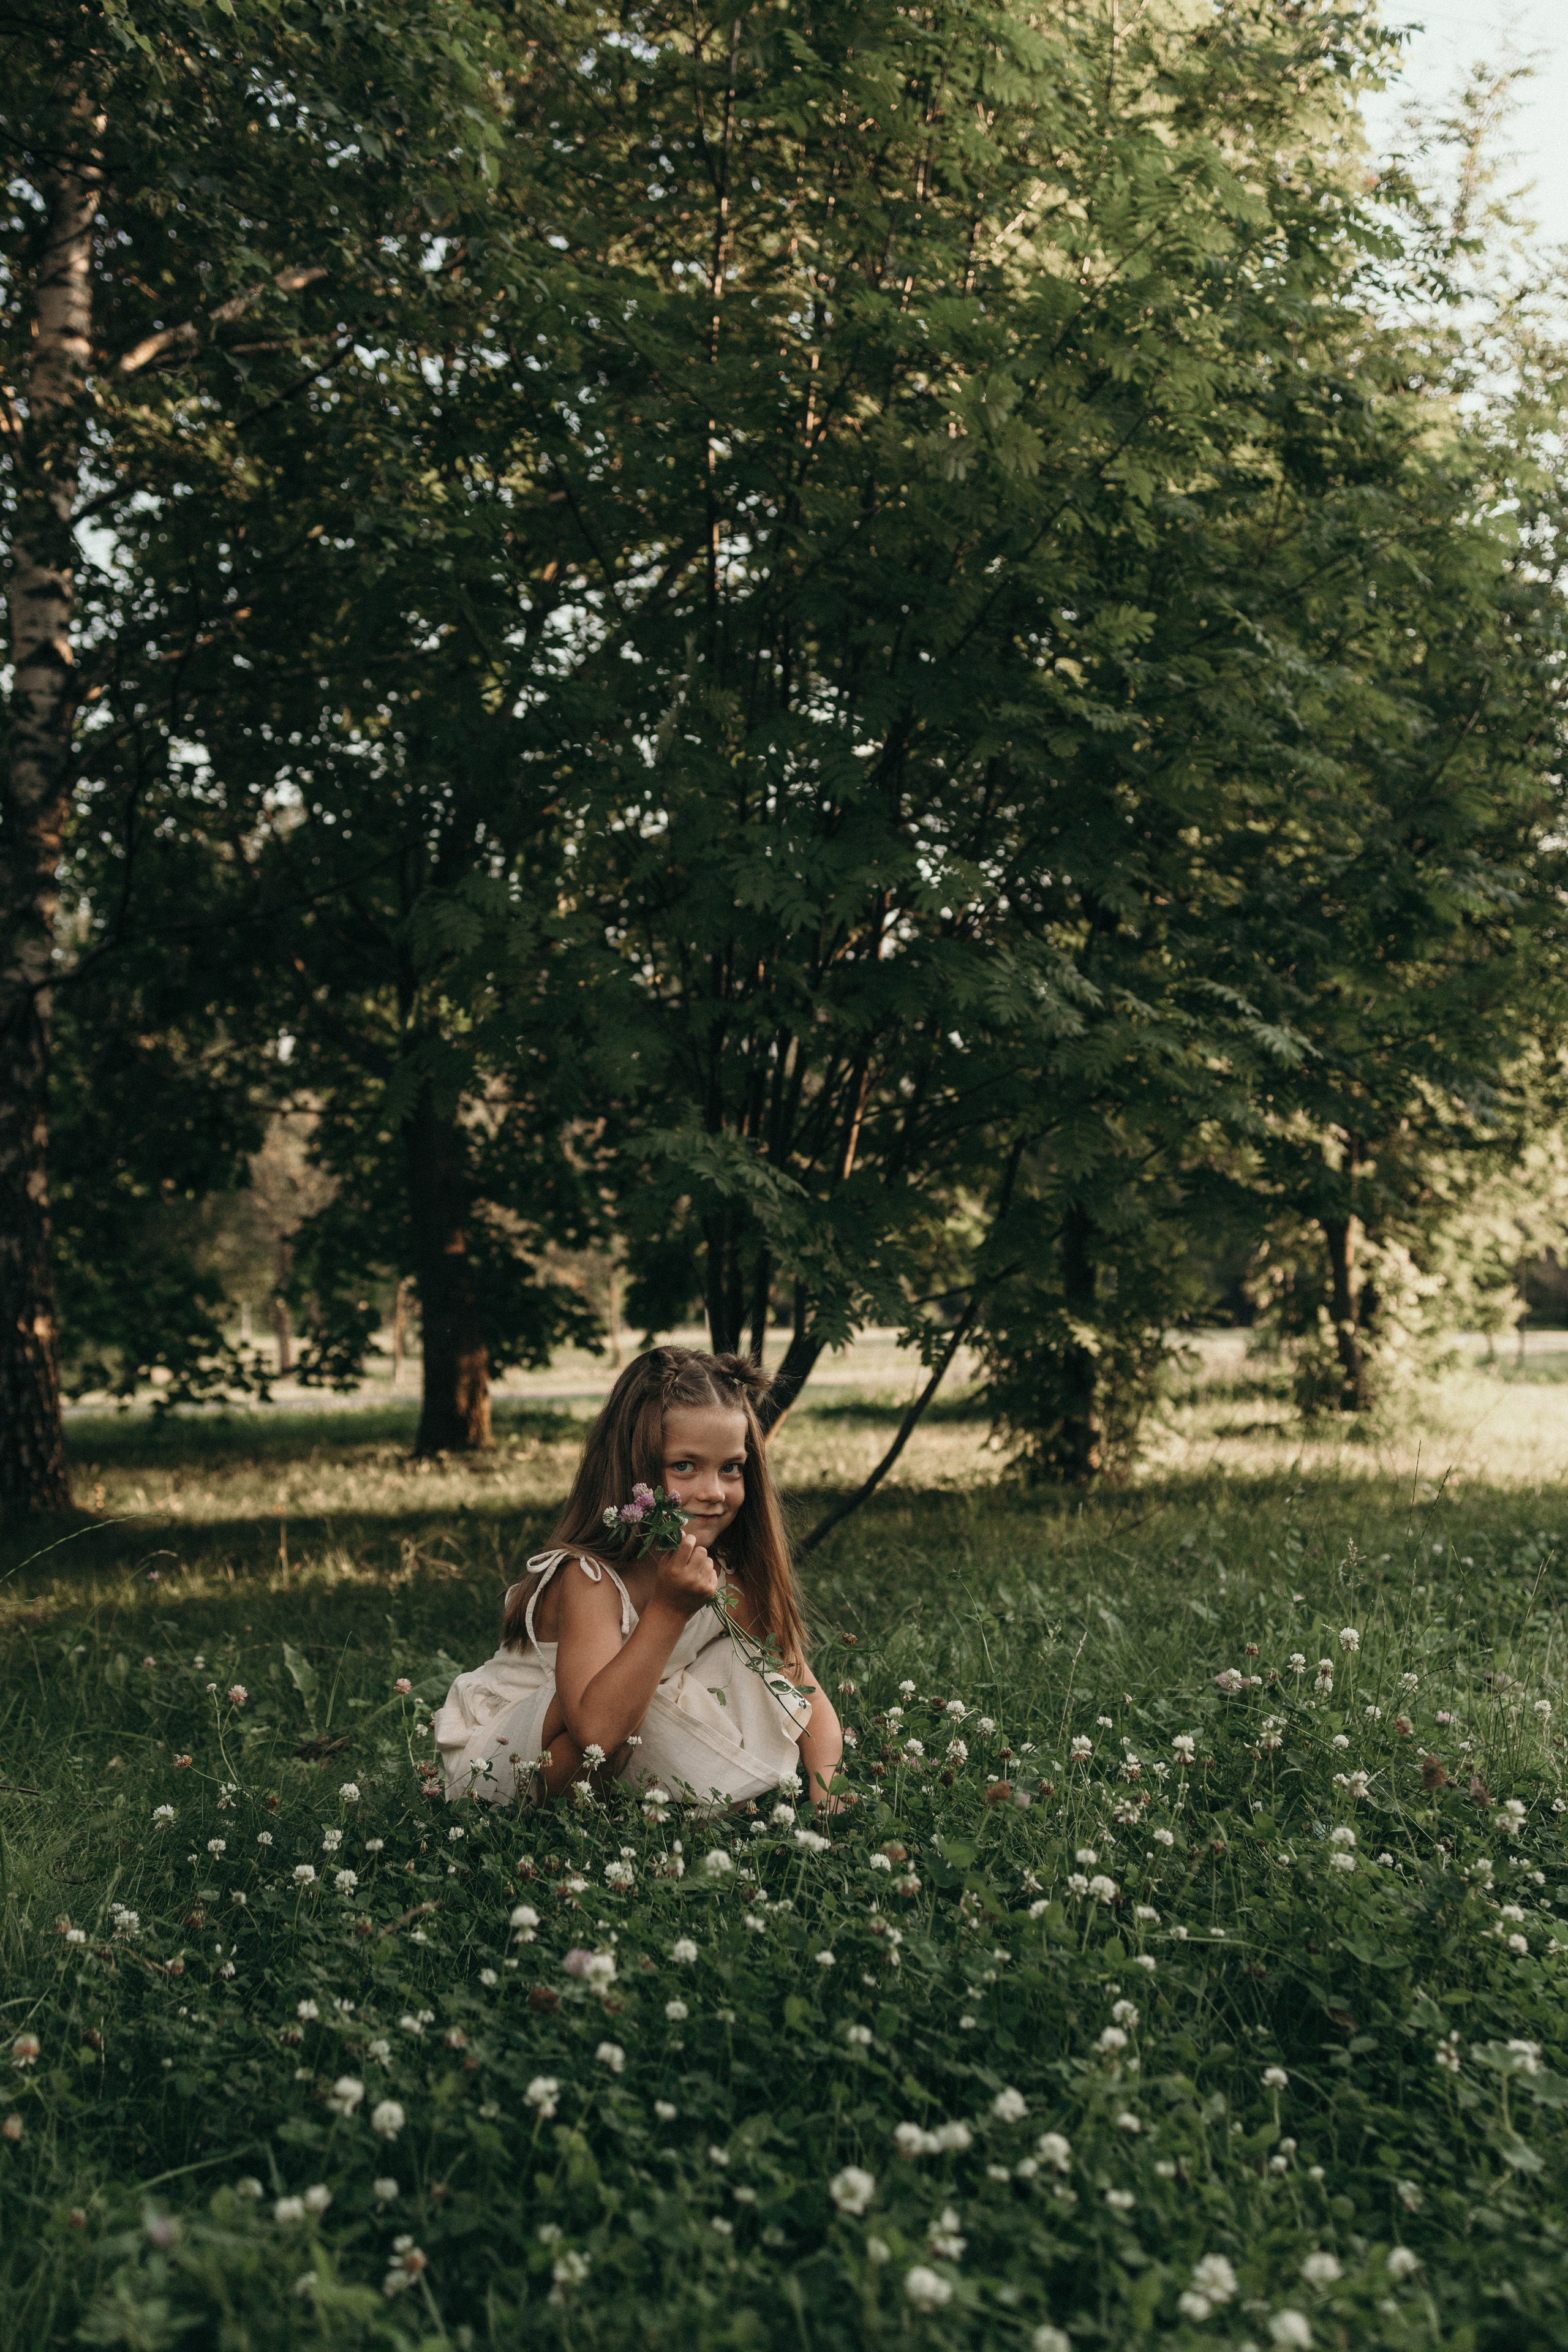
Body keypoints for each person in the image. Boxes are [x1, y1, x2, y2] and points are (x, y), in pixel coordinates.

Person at [432, 1348, 843, 1812]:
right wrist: (669, 1610)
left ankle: (696, 1798)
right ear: (634, 1467)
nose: (712, 1492)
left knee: (749, 1663)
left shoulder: (728, 1578)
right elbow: (596, 1735)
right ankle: (574, 1826)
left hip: (618, 1730)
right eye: (684, 1466)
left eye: (731, 1467)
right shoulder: (589, 1578)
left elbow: (802, 1696)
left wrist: (828, 1796)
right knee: (621, 1729)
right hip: (508, 1752)